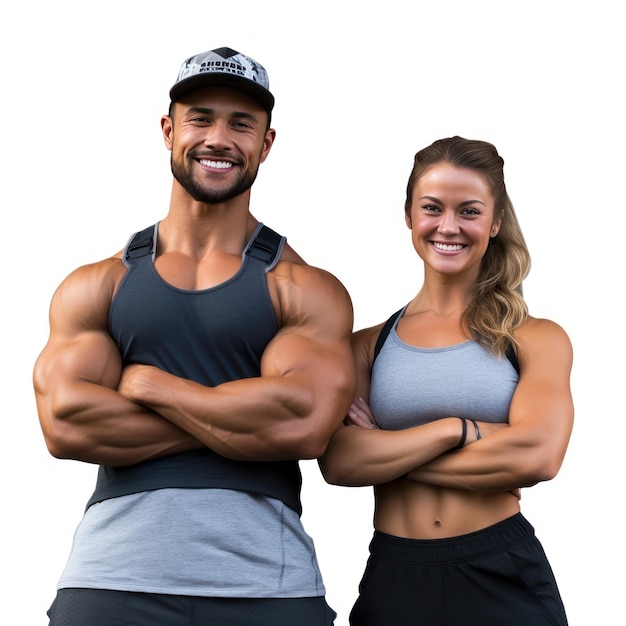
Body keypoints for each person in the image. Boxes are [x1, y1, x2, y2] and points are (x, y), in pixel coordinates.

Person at [33, 46, 355, 626]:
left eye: (241, 124)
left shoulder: (305, 288)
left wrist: (156, 388)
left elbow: (303, 425)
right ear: (168, 130)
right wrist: (234, 418)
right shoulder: (99, 284)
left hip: (268, 587)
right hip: (111, 581)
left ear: (266, 143)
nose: (218, 138)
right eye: (200, 118)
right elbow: (66, 423)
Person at [319, 136, 574, 625]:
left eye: (470, 211)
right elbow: (339, 461)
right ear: (410, 215)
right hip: (395, 575)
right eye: (432, 207)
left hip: (501, 570)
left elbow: (538, 455)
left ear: (495, 222)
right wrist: (454, 429)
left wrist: (386, 450)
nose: (448, 226)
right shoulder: (366, 345)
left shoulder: (534, 337)